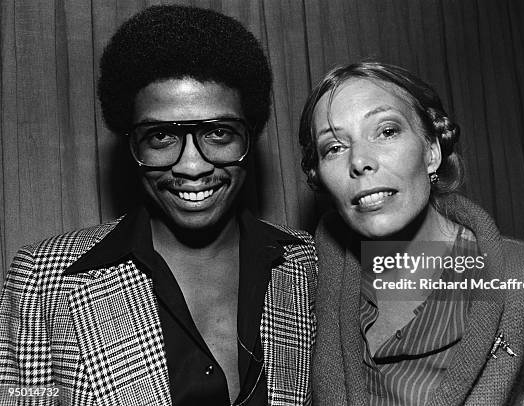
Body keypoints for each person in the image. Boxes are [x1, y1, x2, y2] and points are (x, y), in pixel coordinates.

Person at [0, 6, 316, 405]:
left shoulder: (312, 264)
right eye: (161, 136)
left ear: (249, 136)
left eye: (219, 132)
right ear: (132, 143)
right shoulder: (42, 280)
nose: (192, 165)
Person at [298, 61, 524, 405]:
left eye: (386, 131)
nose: (359, 160)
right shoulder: (312, 285)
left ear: (432, 152)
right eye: (334, 147)